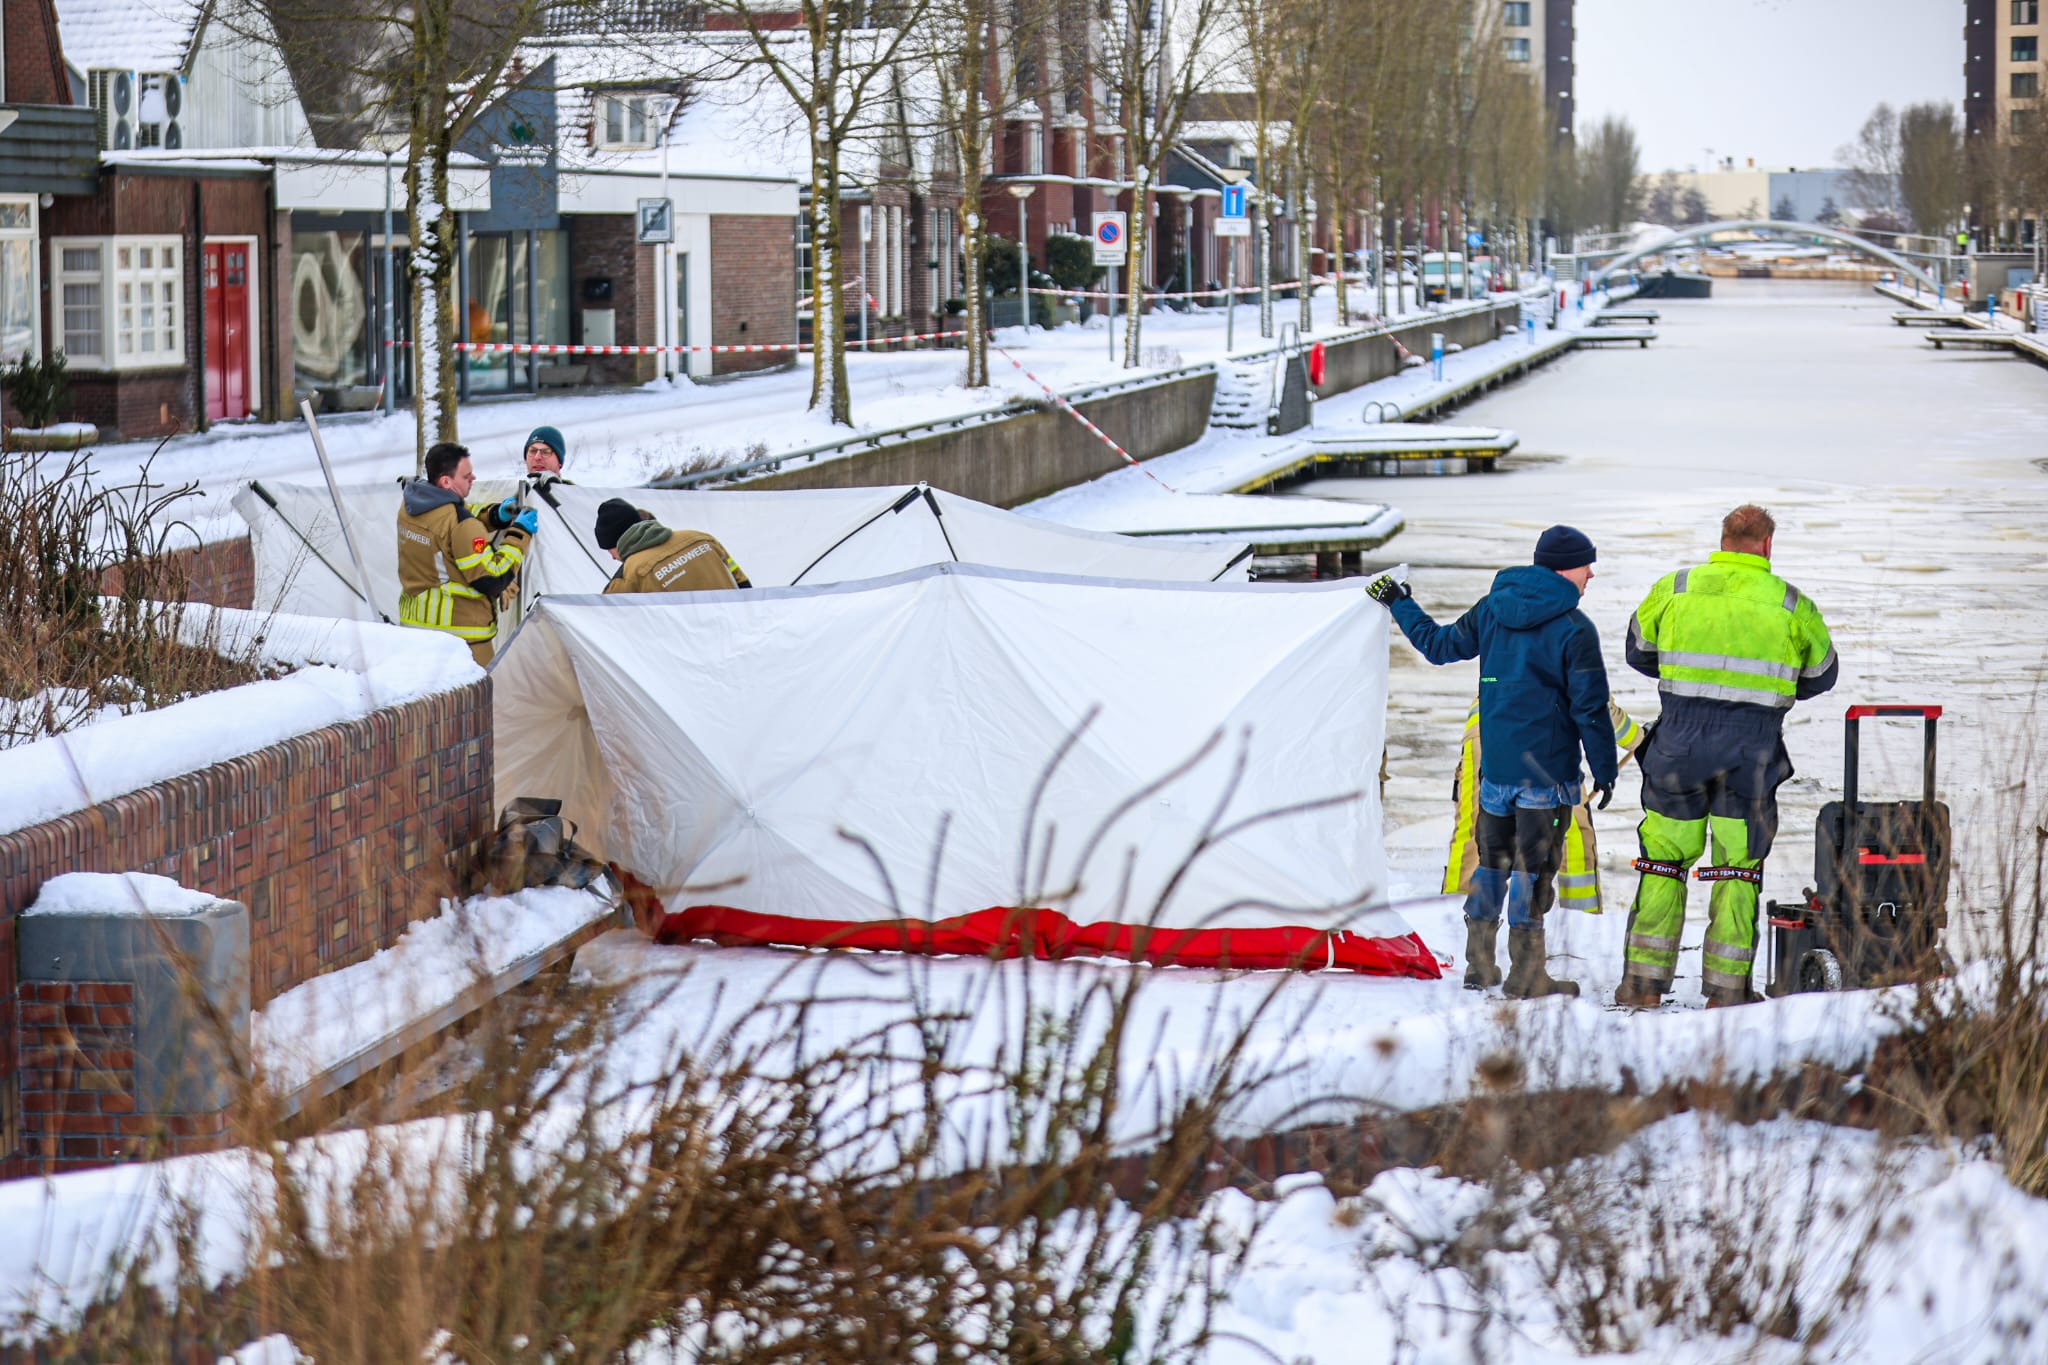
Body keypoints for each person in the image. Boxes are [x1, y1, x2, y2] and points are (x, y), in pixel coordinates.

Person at [1367, 526, 1618, 998]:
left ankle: (1479, 967)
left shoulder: (1493, 609)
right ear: (1566, 568)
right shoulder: (1574, 628)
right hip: (1547, 775)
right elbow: (1589, 708)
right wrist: (1605, 770)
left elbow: (1438, 646)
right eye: (1587, 566)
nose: (1591, 575)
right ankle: (1526, 974)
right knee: (1533, 870)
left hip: (1496, 772)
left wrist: (1399, 601)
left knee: (1491, 865)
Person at [1617, 504, 1838, 1009]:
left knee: (1664, 865)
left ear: (1723, 540)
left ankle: (1644, 988)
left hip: (1677, 748)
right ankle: (1726, 991)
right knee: (1737, 870)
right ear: (1767, 545)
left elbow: (1638, 651)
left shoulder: (1675, 588)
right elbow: (1822, 675)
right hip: (1751, 756)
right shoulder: (1790, 604)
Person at [1445, 696, 1646, 915]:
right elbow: (1595, 705)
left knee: (1473, 829)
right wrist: (1644, 739)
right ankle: (1580, 920)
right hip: (1542, 737)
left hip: (1485, 730)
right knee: (1574, 832)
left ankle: (1453, 916)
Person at [397, 442, 536, 664]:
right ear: (446, 481)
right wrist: (519, 533)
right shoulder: (463, 526)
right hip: (462, 639)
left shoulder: (410, 508)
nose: (473, 478)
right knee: (478, 698)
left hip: (415, 629)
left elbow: (452, 522)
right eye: (467, 476)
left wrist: (494, 516)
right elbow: (493, 577)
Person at [592, 498, 751, 594]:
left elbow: (606, 622)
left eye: (609, 549)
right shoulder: (701, 538)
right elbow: (743, 583)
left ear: (619, 541)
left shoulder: (629, 575)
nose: (612, 557)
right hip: (739, 635)